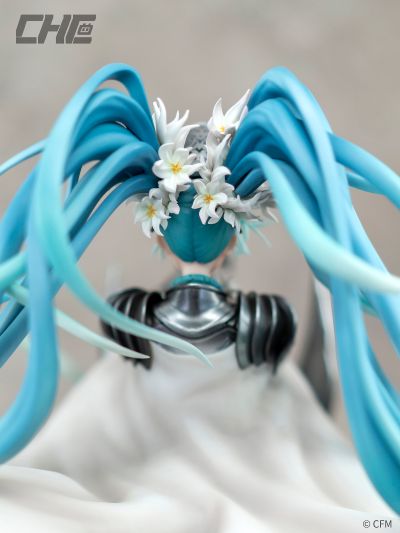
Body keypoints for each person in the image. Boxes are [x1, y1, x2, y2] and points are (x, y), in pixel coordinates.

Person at [0, 63, 398, 532]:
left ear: (160, 235)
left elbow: (83, 432)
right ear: (234, 237)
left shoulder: (133, 325)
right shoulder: (263, 326)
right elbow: (303, 433)